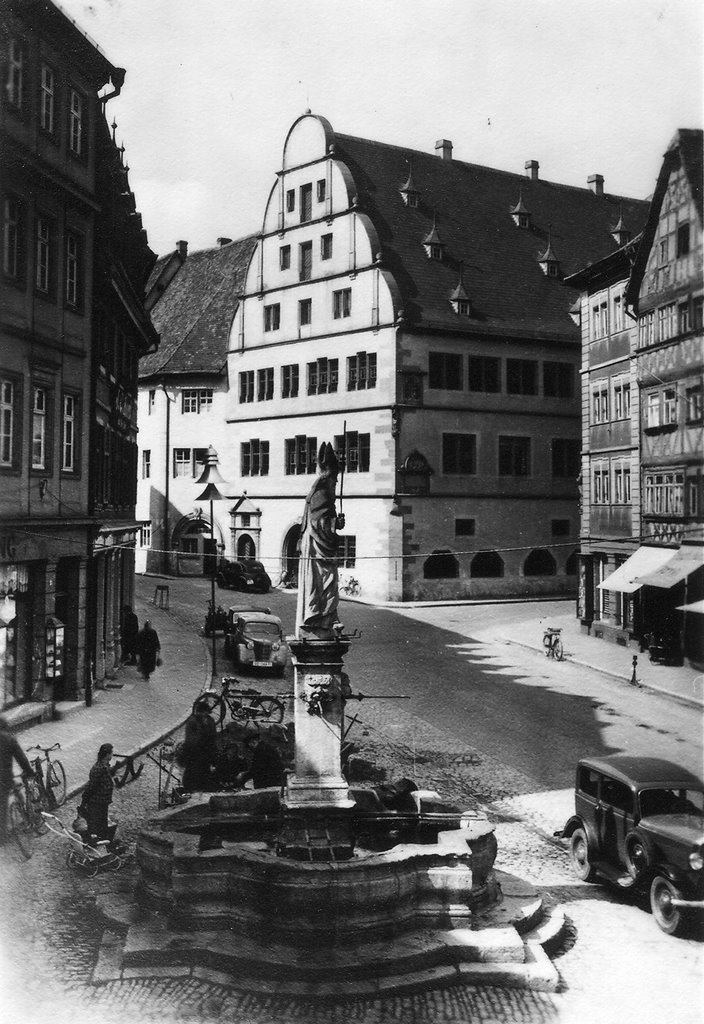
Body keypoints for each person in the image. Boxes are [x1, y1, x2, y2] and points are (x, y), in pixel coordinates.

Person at [295, 442, 345, 639]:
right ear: (329, 478)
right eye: (335, 481)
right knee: (327, 582)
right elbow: (318, 523)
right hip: (318, 550)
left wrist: (335, 522)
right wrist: (335, 525)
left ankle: (325, 618)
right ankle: (319, 618)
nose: (336, 485)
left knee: (327, 584)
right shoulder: (322, 493)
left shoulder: (321, 494)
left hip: (317, 549)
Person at [0, 715, 33, 843]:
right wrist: (29, 772)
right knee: (2, 806)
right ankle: (2, 836)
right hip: (4, 779)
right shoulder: (9, 739)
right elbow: (22, 759)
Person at [79, 743, 114, 843]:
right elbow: (92, 786)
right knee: (96, 823)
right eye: (111, 753)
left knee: (102, 821)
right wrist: (85, 800)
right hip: (97, 801)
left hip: (103, 800)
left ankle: (103, 840)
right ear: (107, 754)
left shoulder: (104, 765)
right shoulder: (99, 768)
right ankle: (96, 842)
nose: (112, 756)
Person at [181, 698, 218, 792]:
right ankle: (189, 789)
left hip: (206, 751)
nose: (203, 714)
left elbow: (213, 736)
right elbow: (191, 739)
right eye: (201, 712)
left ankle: (202, 789)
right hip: (194, 752)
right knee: (192, 771)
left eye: (205, 712)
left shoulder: (210, 721)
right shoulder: (193, 721)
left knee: (204, 770)